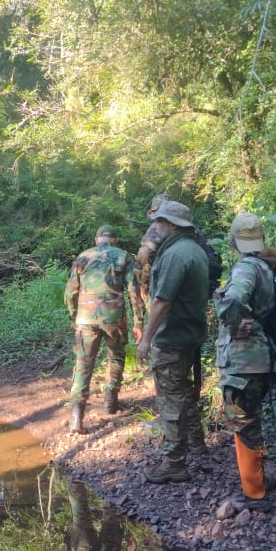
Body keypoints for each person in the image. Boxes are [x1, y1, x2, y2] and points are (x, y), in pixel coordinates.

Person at [215, 213, 276, 512]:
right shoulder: (270, 266)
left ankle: (254, 494)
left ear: (235, 240)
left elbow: (235, 300)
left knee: (243, 422)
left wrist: (231, 322)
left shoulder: (247, 268)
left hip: (246, 362)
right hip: (269, 359)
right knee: (251, 420)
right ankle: (259, 479)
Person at [135, 201, 211, 483]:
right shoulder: (193, 249)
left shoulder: (177, 254)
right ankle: (197, 444)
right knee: (182, 389)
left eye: (160, 222)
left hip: (172, 337)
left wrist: (147, 339)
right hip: (188, 334)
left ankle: (174, 463)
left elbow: (162, 301)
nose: (155, 227)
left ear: (173, 225)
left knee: (170, 400)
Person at [64, 225, 145, 434]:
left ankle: (76, 416)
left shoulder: (83, 257)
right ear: (114, 240)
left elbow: (70, 292)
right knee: (116, 356)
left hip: (85, 318)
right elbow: (133, 291)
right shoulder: (123, 256)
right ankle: (110, 401)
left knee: (83, 363)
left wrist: (74, 316)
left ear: (96, 239)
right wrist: (138, 323)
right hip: (113, 317)